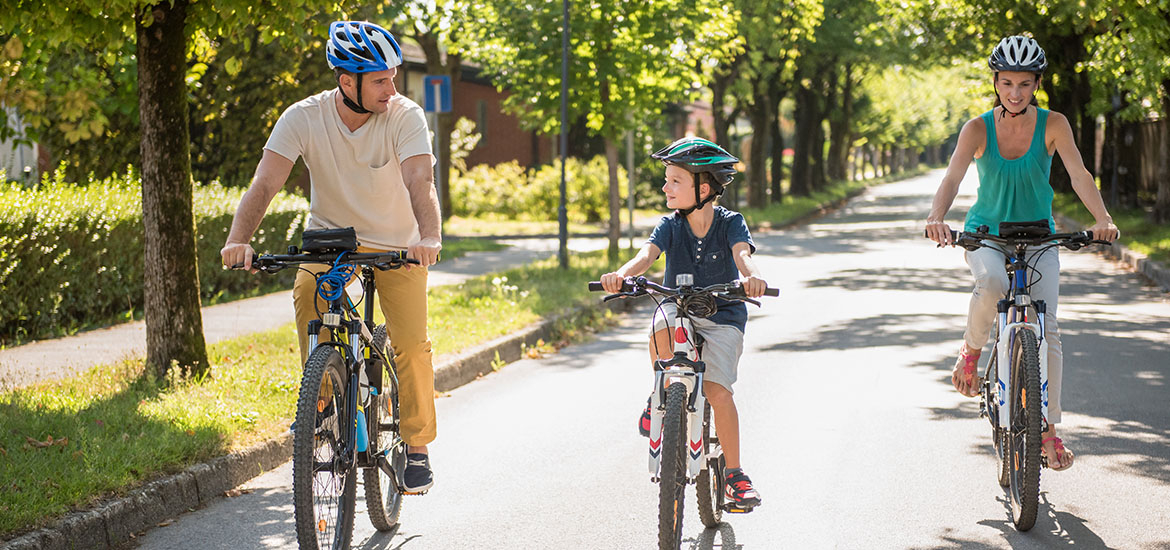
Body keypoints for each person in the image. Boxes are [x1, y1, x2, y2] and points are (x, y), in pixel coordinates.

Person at [220, 21, 441, 493]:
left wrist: (429, 237)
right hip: (331, 242)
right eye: (381, 79)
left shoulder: (405, 116)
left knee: (410, 343)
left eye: (393, 76)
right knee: (307, 293)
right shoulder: (303, 117)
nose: (392, 87)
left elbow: (420, 182)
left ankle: (417, 446)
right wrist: (238, 238)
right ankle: (320, 406)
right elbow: (265, 183)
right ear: (347, 81)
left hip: (400, 246)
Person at [925, 35, 1119, 471]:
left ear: (1036, 85)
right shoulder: (977, 129)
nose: (1015, 93)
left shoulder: (1055, 124)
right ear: (995, 82)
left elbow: (1079, 173)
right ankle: (972, 352)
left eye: (1025, 84)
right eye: (1007, 83)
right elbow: (953, 177)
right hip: (986, 235)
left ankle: (1049, 432)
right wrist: (938, 216)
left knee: (1048, 330)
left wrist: (1103, 219)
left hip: (1039, 237)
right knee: (992, 282)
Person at [599, 137, 768, 510]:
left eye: (675, 180)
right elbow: (646, 256)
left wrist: (753, 277)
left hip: (723, 315)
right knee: (662, 315)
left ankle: (736, 476)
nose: (665, 187)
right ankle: (659, 392)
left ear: (703, 189)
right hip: (680, 307)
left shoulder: (730, 224)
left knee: (717, 391)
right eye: (667, 179)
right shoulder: (669, 226)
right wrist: (621, 274)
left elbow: (743, 256)